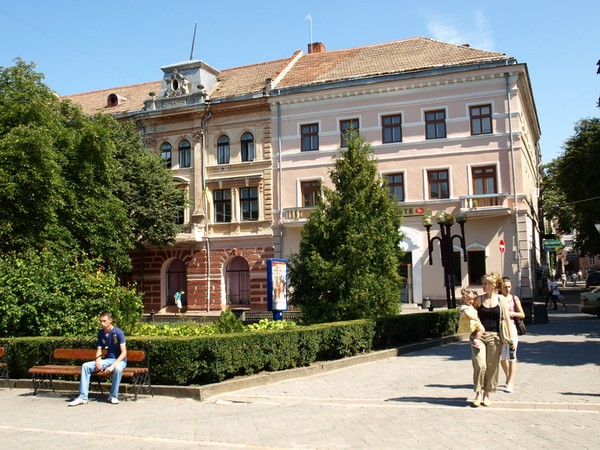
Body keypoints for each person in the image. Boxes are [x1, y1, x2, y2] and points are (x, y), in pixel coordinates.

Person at [470, 272, 513, 407]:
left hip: (495, 337)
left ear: (493, 285)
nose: (483, 286)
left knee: (492, 367)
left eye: (485, 284)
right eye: (482, 283)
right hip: (479, 337)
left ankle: (486, 394)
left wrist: (510, 339)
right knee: (480, 365)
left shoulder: (501, 300)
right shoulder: (479, 300)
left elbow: (506, 319)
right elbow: (471, 315)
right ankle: (477, 393)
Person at [68, 311, 127, 406]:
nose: (102, 324)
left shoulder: (118, 332)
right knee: (86, 366)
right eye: (101, 321)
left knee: (118, 369)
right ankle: (83, 397)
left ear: (110, 320)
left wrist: (112, 366)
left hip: (120, 361)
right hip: (108, 360)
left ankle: (113, 396)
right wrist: (97, 360)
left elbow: (124, 352)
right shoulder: (101, 333)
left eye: (104, 321)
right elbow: (99, 349)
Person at [498, 277, 525, 393]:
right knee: (501, 358)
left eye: (509, 286)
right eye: (505, 287)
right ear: (500, 288)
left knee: (511, 355)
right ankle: (509, 376)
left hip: (512, 328)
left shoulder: (514, 298)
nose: (508, 289)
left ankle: (511, 382)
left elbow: (522, 314)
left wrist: (511, 313)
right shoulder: (497, 299)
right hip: (500, 329)